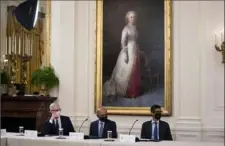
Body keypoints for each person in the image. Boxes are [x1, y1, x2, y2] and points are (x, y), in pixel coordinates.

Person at [103, 11, 145, 99]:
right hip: (128, 50)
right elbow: (122, 43)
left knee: (135, 70)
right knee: (127, 70)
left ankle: (135, 91)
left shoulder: (135, 28)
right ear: (127, 18)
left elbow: (136, 42)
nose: (132, 19)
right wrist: (126, 54)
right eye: (131, 17)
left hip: (135, 50)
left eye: (134, 17)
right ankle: (128, 92)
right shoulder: (126, 29)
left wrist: (139, 50)